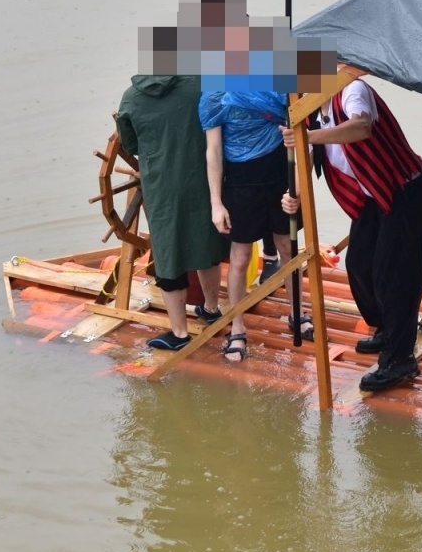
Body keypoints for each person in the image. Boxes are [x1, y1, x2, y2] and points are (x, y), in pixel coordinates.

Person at [281, 78, 422, 392]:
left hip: (403, 187)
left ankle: (400, 359)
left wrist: (308, 135)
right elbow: (305, 158)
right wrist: (294, 196)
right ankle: (387, 328)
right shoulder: (308, 111)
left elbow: (361, 127)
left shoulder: (352, 90)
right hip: (371, 194)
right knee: (359, 265)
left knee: (394, 275)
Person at [115, 74, 228, 351]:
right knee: (206, 243)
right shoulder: (201, 84)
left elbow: (130, 145)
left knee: (168, 253)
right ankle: (211, 308)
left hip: (160, 185)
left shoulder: (131, 97)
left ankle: (179, 333)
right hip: (201, 178)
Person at [201, 86, 297, 362]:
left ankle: (297, 313)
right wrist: (216, 203)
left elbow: (300, 129)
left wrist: (298, 187)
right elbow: (213, 150)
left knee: (287, 248)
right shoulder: (215, 93)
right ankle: (237, 327)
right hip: (241, 181)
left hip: (280, 171)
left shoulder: (277, 82)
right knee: (240, 257)